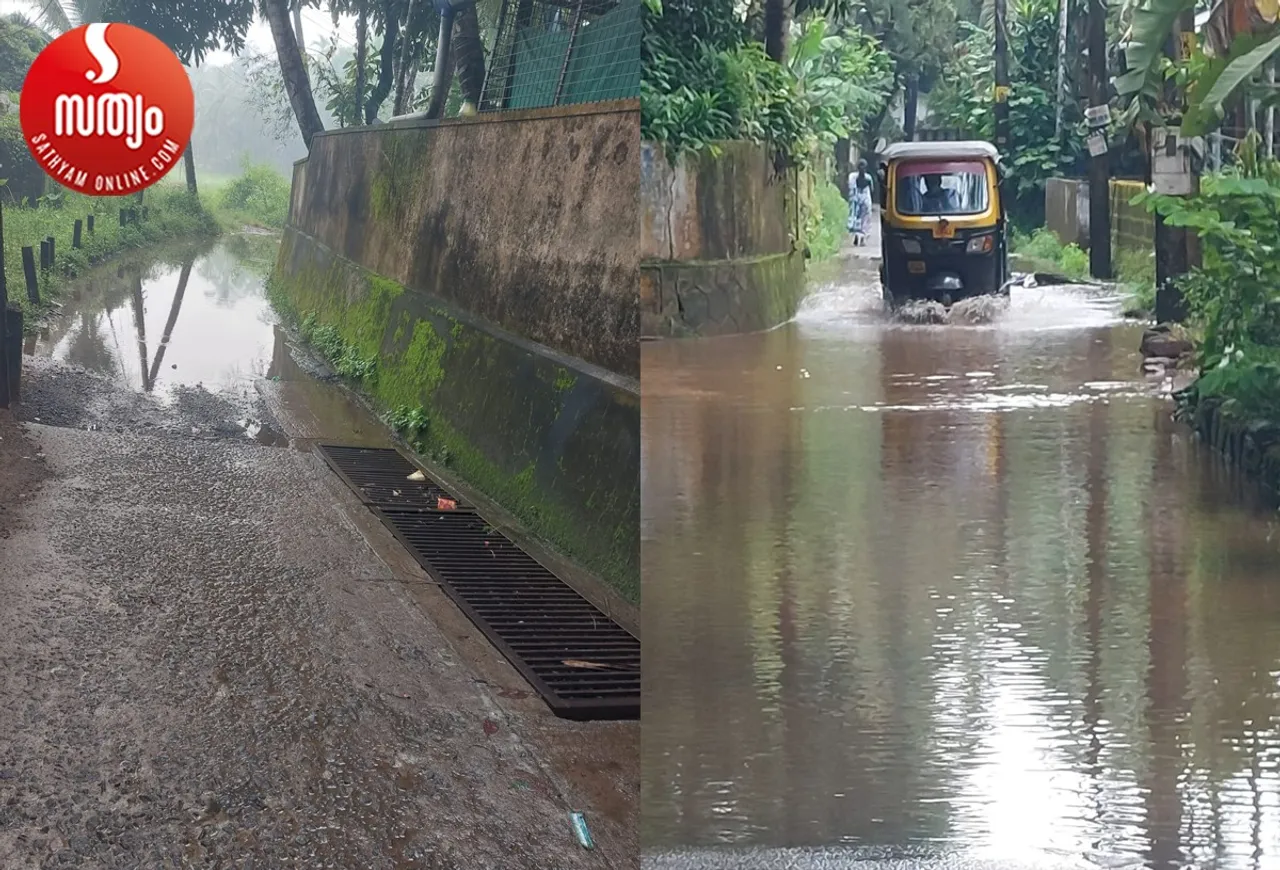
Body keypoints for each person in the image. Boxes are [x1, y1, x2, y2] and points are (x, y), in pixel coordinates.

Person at [847, 159, 875, 246]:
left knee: (856, 218)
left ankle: (856, 235)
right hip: (866, 198)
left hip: (856, 198)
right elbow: (872, 189)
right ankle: (862, 238)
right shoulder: (868, 178)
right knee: (865, 219)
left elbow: (850, 188)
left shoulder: (852, 176)